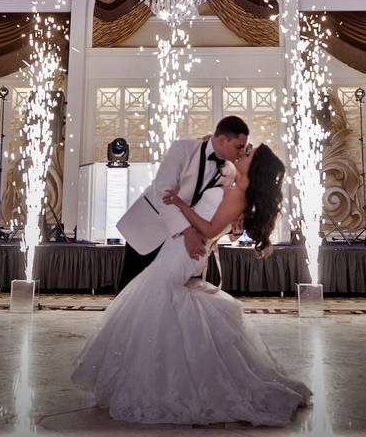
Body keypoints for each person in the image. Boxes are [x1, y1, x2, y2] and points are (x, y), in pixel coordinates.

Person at [72, 143, 310, 426]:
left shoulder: (236, 194)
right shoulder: (231, 184)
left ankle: (167, 385)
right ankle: (168, 379)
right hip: (180, 248)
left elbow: (208, 229)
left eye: (248, 153)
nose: (242, 152)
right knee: (164, 306)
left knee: (161, 301)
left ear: (255, 167)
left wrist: (181, 207)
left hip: (184, 250)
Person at [115, 115, 249, 291]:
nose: (241, 152)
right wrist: (187, 231)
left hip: (179, 244)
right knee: (129, 289)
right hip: (149, 226)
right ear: (223, 139)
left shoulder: (229, 172)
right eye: (238, 146)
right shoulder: (183, 148)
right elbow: (162, 193)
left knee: (163, 293)